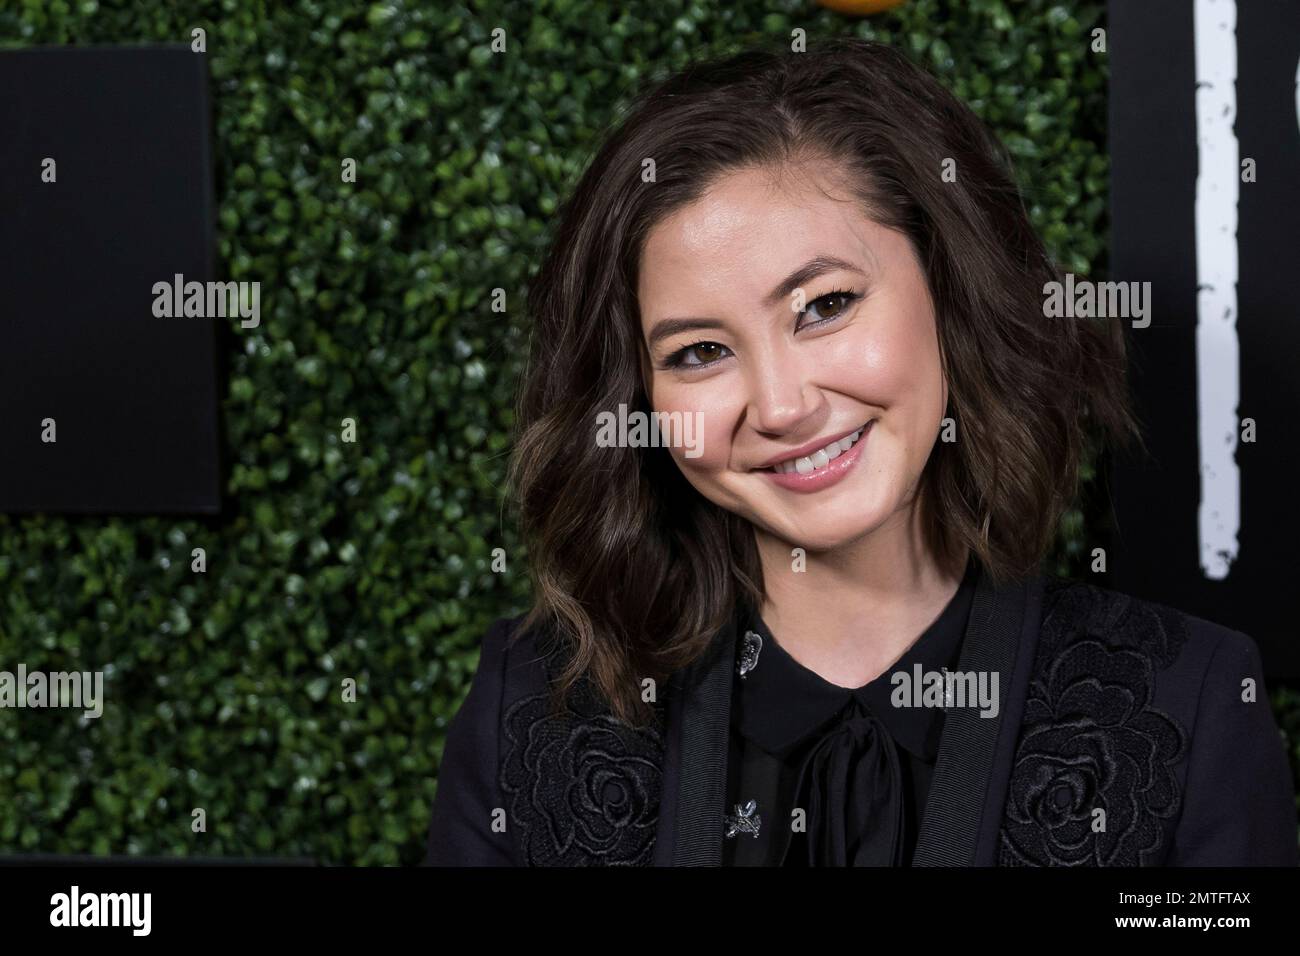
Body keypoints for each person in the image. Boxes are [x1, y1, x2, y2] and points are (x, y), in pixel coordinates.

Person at [423, 37, 1297, 867]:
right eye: (699, 352)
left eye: (825, 305)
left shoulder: (1190, 701)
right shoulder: (529, 706)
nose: (782, 405)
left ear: (950, 292)